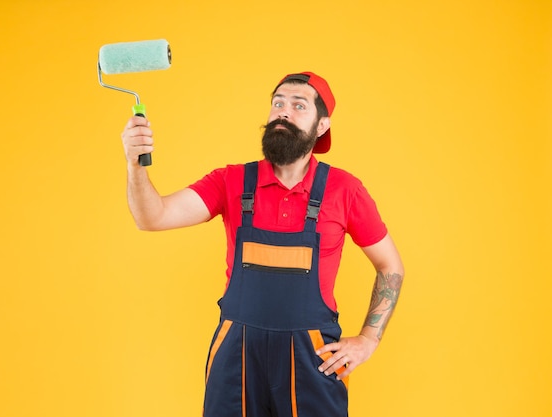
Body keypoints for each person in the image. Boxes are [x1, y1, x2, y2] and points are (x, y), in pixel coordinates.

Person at [120, 71, 404, 417]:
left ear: (321, 126)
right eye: (277, 103)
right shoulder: (230, 181)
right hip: (236, 357)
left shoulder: (345, 190)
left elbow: (390, 266)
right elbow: (152, 217)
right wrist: (136, 165)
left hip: (312, 358)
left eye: (298, 105)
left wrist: (368, 340)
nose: (283, 111)